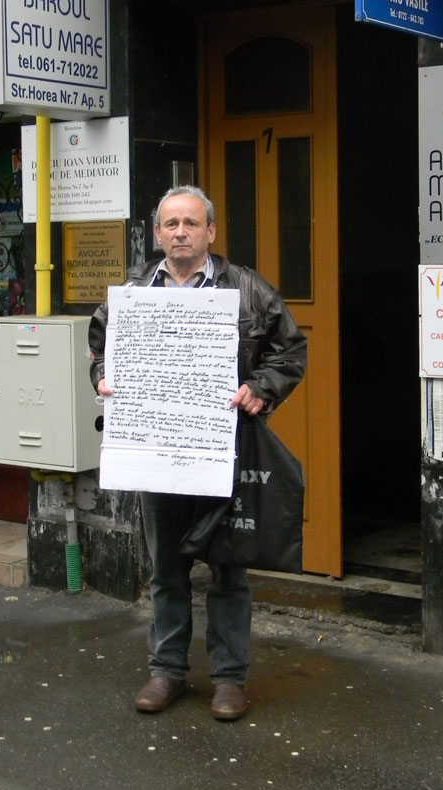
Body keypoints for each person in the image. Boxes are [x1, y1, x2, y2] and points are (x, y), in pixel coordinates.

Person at [88, 186, 307, 721]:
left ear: (210, 232)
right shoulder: (134, 290)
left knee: (228, 571)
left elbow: (291, 348)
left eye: (191, 223)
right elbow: (100, 345)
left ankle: (229, 679)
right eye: (171, 224)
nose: (180, 232)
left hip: (221, 452)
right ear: (157, 233)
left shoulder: (248, 290)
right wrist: (103, 377)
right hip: (154, 453)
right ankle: (166, 671)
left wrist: (261, 387)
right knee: (165, 568)